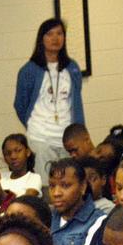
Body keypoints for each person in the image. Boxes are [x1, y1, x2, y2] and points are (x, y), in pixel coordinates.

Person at [14, 18, 85, 174]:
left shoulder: (72, 68)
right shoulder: (29, 70)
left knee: (69, 181)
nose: (55, 38)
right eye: (50, 34)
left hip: (67, 137)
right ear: (41, 39)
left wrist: (80, 133)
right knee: (47, 185)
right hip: (41, 137)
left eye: (60, 33)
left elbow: (76, 103)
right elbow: (20, 105)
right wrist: (33, 124)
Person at [47, 158, 106, 245]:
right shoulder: (47, 216)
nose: (56, 193)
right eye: (52, 186)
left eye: (65, 185)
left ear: (83, 186)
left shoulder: (98, 221)